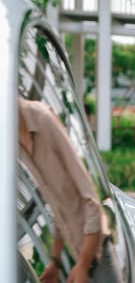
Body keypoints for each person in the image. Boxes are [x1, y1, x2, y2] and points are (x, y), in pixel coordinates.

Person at [18, 98, 122, 283]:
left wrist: (82, 264)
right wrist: (56, 261)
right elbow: (58, 203)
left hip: (96, 252)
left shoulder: (42, 119)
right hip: (80, 255)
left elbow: (90, 198)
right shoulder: (14, 139)